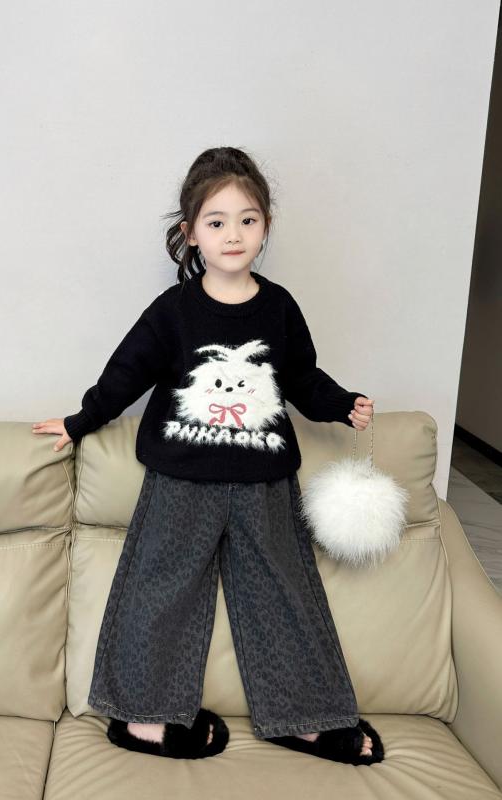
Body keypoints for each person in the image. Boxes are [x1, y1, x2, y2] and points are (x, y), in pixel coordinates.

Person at [32, 146, 383, 764]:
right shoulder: (173, 312)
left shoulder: (279, 307)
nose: (233, 234)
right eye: (216, 222)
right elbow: (125, 373)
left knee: (284, 590)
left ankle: (303, 721)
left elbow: (302, 378)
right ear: (191, 233)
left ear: (266, 226)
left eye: (248, 220)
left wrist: (340, 403)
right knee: (160, 586)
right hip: (181, 479)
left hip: (264, 479)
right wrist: (81, 419)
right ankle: (142, 720)